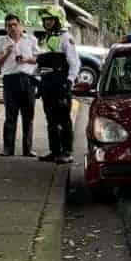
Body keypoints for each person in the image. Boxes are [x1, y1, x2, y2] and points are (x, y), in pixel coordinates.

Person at [35, 9, 80, 164]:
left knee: (63, 118)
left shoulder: (66, 38)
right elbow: (42, 61)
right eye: (45, 20)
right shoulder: (46, 38)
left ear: (58, 20)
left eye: (50, 19)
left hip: (60, 82)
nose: (47, 22)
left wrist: (69, 81)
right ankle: (54, 151)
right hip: (47, 82)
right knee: (51, 119)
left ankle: (67, 152)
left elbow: (74, 62)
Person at [0, 13, 39, 156]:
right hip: (10, 80)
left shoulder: (30, 39)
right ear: (6, 28)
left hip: (27, 79)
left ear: (20, 26)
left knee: (28, 116)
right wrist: (6, 53)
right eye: (9, 25)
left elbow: (38, 58)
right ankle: (8, 148)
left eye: (15, 24)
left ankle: (28, 149)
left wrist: (25, 60)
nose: (12, 28)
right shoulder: (2, 42)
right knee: (10, 115)